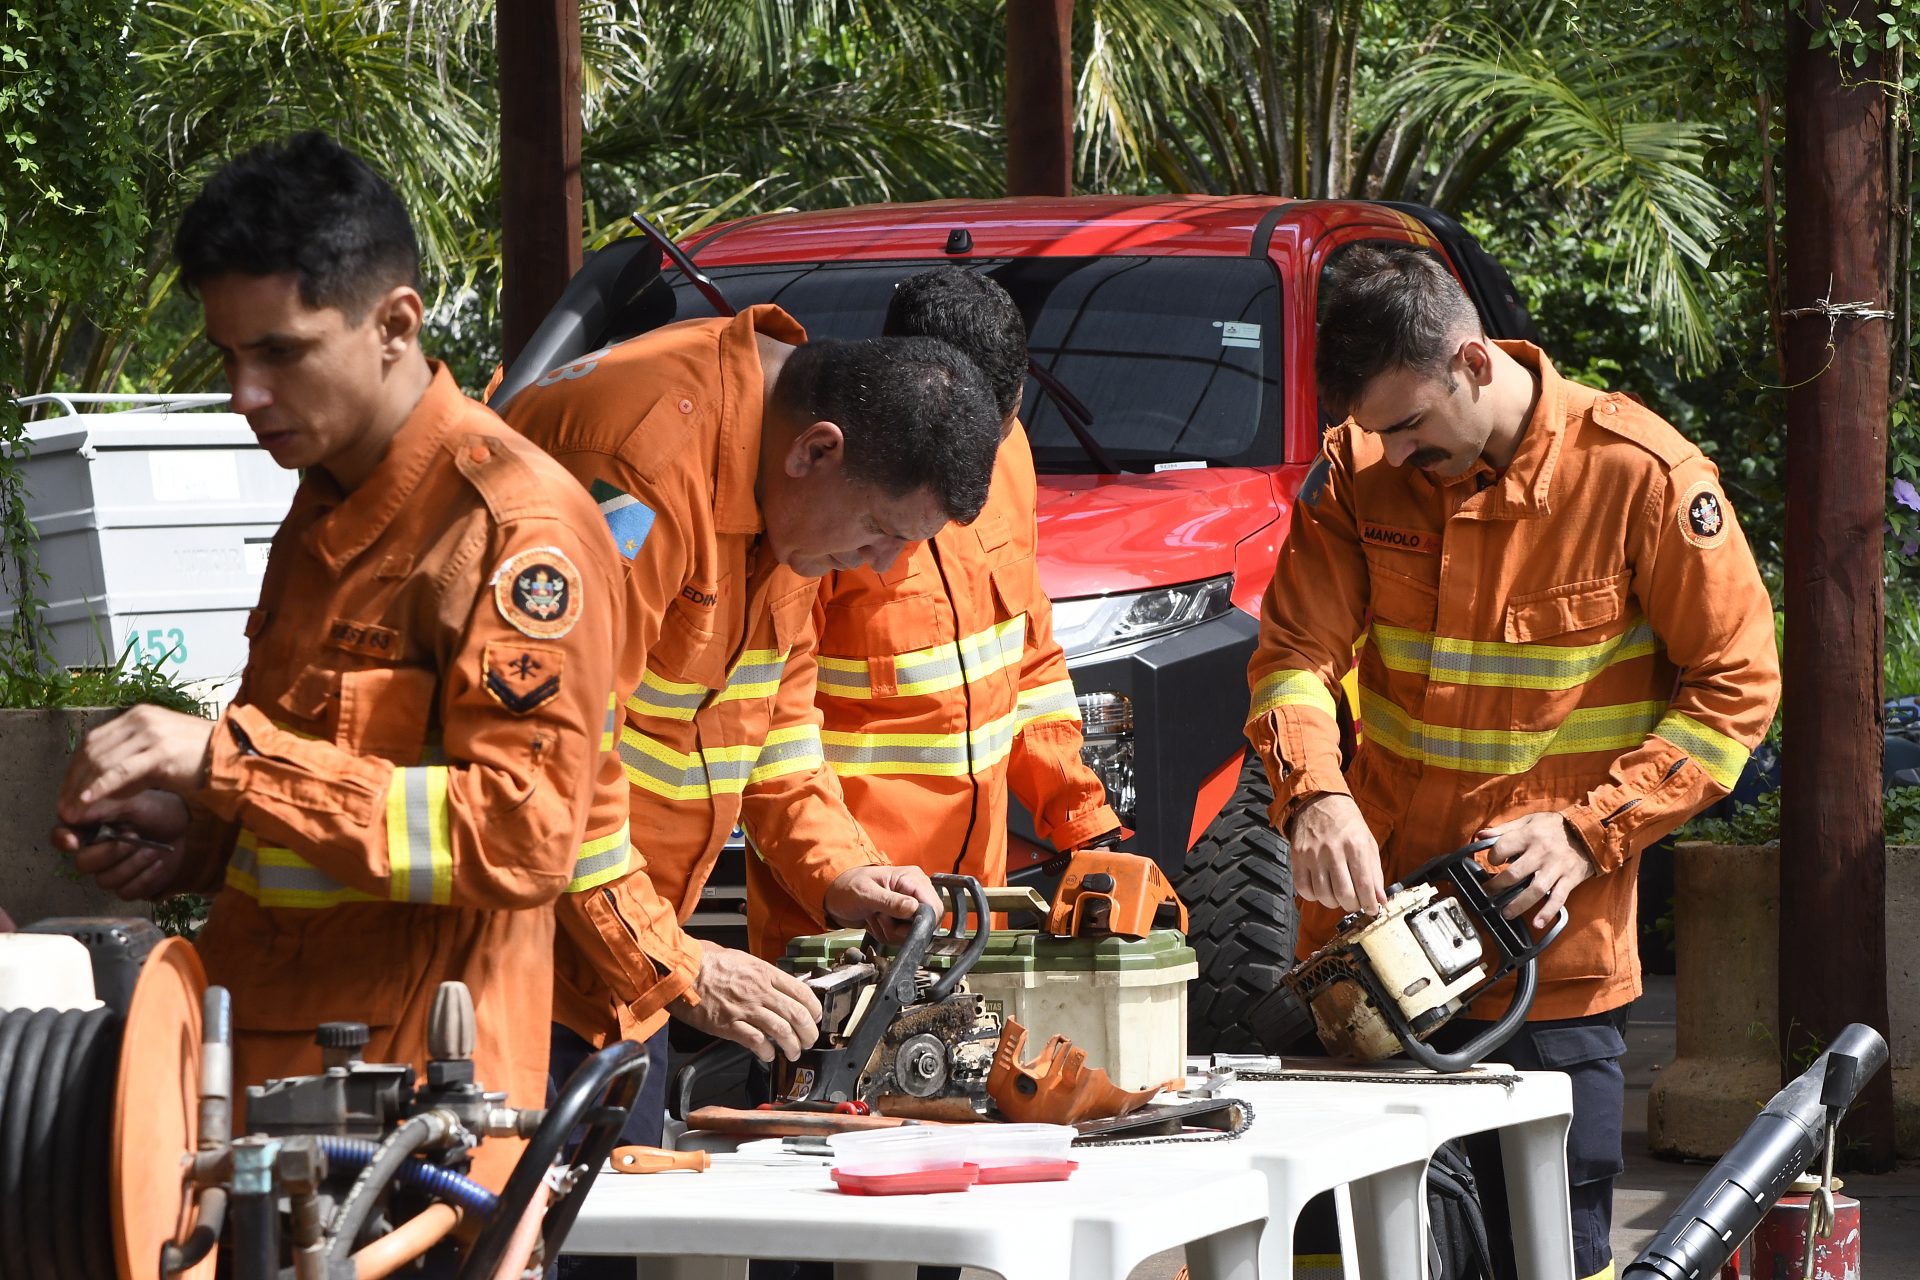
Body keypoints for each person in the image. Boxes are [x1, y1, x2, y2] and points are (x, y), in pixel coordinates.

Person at [51, 132, 622, 1189]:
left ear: (396, 323)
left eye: (279, 351)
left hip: (412, 1136)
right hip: (264, 1108)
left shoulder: (512, 532)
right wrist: (191, 834)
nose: (244, 394)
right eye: (229, 356)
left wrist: (229, 765)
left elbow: (523, 834)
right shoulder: (325, 511)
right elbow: (321, 805)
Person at [1246, 244, 1780, 1280]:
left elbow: (1737, 686)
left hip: (1550, 968)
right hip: (1365, 966)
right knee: (1337, 1252)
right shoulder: (1358, 476)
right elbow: (1294, 659)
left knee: (1548, 1252)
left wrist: (1590, 832)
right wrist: (1315, 794)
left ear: (1475, 361)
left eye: (1410, 426)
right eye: (1374, 432)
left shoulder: (1641, 478)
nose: (1396, 455)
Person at [501, 305, 1006, 1145]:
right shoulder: (639, 468)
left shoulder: (782, 493)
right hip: (502, 970)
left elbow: (776, 724)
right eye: (880, 533)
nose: (881, 569)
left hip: (612, 966)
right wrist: (681, 964)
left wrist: (844, 872)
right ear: (818, 449)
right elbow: (546, 759)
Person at [744, 267, 1120, 963]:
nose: (987, 457)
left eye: (1001, 432)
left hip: (976, 925)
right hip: (844, 927)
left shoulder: (1009, 458)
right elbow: (774, 733)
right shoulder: (818, 515)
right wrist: (846, 877)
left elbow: (1029, 661)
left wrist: (1082, 825)